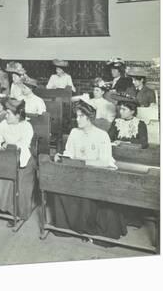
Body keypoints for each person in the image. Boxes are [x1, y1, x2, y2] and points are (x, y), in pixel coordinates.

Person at [51, 101, 127, 242]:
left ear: (89, 118)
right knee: (60, 188)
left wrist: (83, 162)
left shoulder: (101, 135)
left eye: (81, 116)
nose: (77, 119)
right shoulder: (74, 132)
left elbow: (105, 161)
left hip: (96, 174)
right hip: (78, 173)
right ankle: (70, 227)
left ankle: (88, 229)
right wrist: (61, 157)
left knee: (89, 193)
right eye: (77, 116)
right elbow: (70, 154)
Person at [0, 99, 35, 225]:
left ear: (17, 116)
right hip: (5, 156)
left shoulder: (26, 126)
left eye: (9, 113)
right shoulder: (4, 123)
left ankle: (13, 211)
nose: (6, 115)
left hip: (23, 159)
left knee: (15, 179)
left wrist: (8, 145)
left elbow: (24, 144)